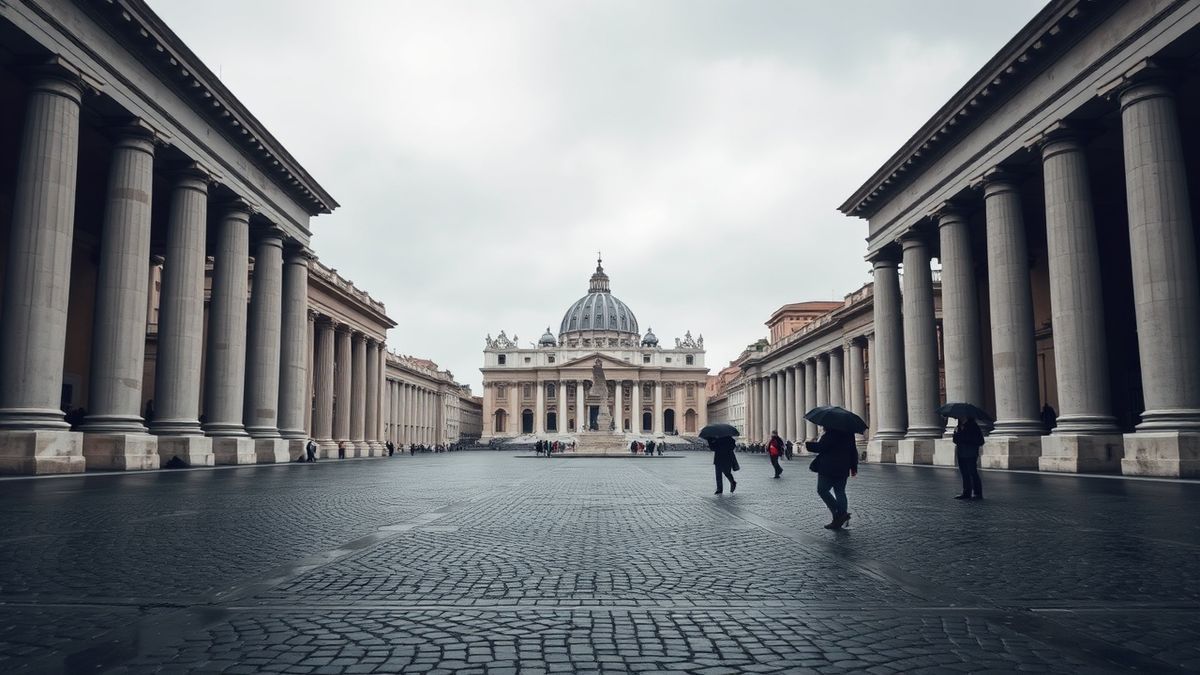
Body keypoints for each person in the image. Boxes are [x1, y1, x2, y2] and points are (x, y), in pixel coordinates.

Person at [807, 427, 858, 529]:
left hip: (828, 468)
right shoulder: (849, 434)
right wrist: (853, 467)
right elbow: (853, 450)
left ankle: (840, 514)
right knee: (840, 491)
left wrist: (809, 443)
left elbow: (820, 447)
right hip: (843, 467)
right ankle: (839, 518)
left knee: (822, 490)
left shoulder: (830, 434)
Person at [953, 417, 985, 500]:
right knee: (964, 473)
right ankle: (966, 492)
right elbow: (955, 440)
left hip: (971, 453)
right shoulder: (958, 427)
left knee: (972, 473)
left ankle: (978, 493)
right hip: (961, 452)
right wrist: (956, 433)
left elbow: (980, 440)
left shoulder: (973, 426)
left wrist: (963, 435)